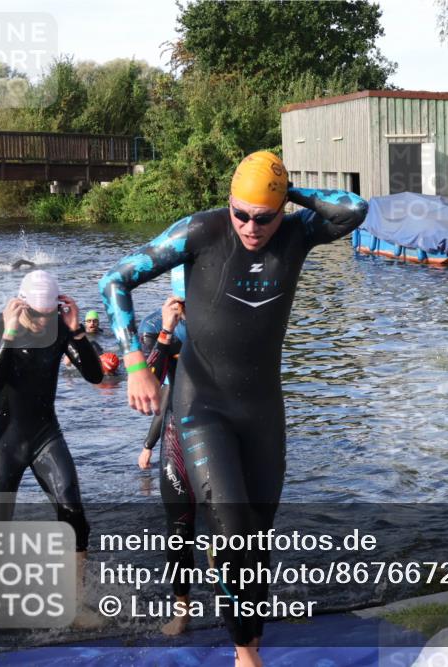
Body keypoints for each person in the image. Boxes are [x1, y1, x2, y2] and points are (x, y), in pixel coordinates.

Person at [99, 151, 368, 666]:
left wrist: (287, 193)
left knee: (258, 538)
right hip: (203, 407)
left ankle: (253, 644)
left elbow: (354, 208)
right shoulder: (199, 232)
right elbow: (115, 280)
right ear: (229, 205)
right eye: (241, 213)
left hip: (263, 410)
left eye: (262, 216)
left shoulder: (297, 232)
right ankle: (244, 655)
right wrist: (134, 359)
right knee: (230, 526)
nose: (250, 226)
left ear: (280, 209)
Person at [0, 270, 103, 627]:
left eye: (49, 316)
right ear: (20, 304)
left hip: (45, 433)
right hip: (5, 440)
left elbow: (95, 376)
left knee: (74, 512)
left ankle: (75, 603)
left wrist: (76, 331)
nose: (42, 322)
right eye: (36, 315)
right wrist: (12, 333)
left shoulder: (60, 328)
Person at [136, 271, 194, 636]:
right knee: (179, 530)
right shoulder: (159, 325)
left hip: (224, 432)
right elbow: (154, 388)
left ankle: (240, 608)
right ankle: (182, 611)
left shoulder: (230, 316)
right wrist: (167, 332)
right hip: (179, 432)